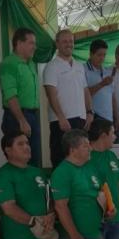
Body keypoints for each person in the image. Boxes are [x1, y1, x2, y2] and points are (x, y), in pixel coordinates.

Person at [43, 29, 93, 167]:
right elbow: (51, 94)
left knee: (81, 159)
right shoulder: (51, 67)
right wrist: (61, 117)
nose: (69, 44)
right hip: (62, 122)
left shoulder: (79, 66)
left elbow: (85, 90)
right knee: (61, 160)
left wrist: (90, 112)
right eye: (64, 41)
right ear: (57, 44)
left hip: (81, 120)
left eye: (71, 41)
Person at [0, 28, 41, 167]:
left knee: (33, 158)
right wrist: (22, 120)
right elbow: (10, 95)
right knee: (18, 159)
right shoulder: (9, 64)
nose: (34, 47)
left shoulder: (30, 63)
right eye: (31, 43)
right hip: (16, 117)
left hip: (32, 115)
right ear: (19, 43)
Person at [84, 39, 116, 124]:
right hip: (94, 118)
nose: (102, 58)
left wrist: (116, 117)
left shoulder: (107, 72)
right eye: (99, 55)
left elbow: (112, 96)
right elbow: (83, 95)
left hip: (109, 118)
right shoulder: (83, 70)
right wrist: (102, 84)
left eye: (104, 55)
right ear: (91, 54)